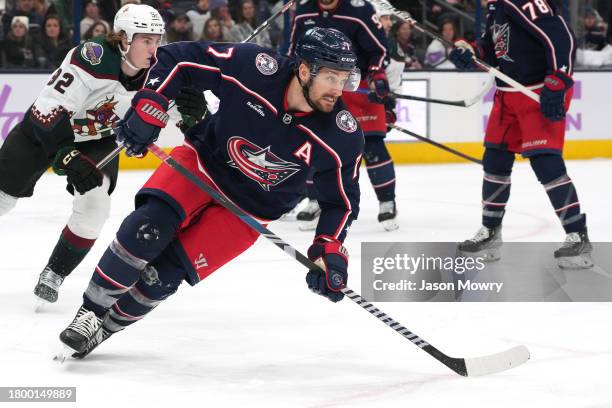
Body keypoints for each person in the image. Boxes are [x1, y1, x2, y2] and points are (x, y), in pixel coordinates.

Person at [57, 27, 364, 359]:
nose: (339, 89)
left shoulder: (342, 134)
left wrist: (329, 247)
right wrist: (151, 101)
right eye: (331, 77)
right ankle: (90, 312)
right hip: (202, 163)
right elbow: (179, 58)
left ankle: (106, 328)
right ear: (304, 70)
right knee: (147, 228)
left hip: (250, 211)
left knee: (164, 276)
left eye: (345, 79)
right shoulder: (255, 68)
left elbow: (340, 202)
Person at [0, 4, 166, 305]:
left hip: (96, 141)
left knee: (95, 205)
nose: (154, 49)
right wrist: (64, 153)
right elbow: (47, 107)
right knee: (1, 199)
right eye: (146, 40)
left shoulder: (158, 69)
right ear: (125, 38)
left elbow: (183, 102)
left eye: (157, 40)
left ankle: (55, 272)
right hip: (45, 131)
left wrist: (196, 109)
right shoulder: (94, 57)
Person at [449, 0, 592, 268]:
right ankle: (491, 232)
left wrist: (558, 80)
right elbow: (493, 52)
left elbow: (562, 37)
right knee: (495, 160)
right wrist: (471, 52)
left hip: (538, 91)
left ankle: (577, 235)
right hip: (509, 95)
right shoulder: (496, 8)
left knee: (545, 162)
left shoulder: (522, 2)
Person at [288, 0, 399, 231]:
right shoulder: (303, 11)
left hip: (357, 89)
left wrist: (377, 74)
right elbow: (292, 52)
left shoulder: (361, 10)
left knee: (372, 145)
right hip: (318, 90)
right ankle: (315, 199)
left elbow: (378, 50)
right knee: (310, 145)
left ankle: (387, 201)